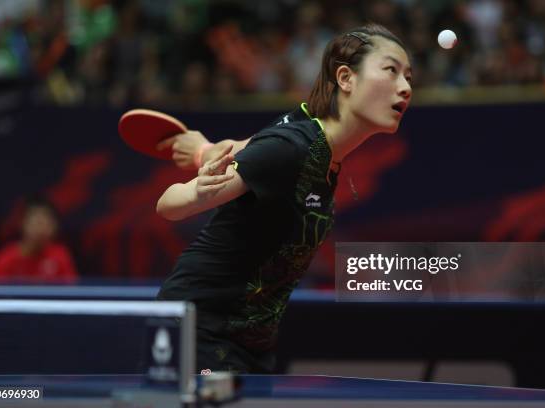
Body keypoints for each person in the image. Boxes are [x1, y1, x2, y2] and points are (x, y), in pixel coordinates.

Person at [156, 23, 412, 374]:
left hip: (252, 346)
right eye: (391, 71)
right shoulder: (294, 147)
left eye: (409, 77)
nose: (406, 87)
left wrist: (202, 151)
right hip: (201, 332)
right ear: (346, 78)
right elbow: (168, 204)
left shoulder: (314, 141)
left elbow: (257, 145)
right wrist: (198, 191)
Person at [0, 195, 78, 284]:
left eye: (46, 222)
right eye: (37, 222)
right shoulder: (5, 259)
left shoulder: (61, 256)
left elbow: (70, 291)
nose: (41, 228)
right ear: (23, 223)